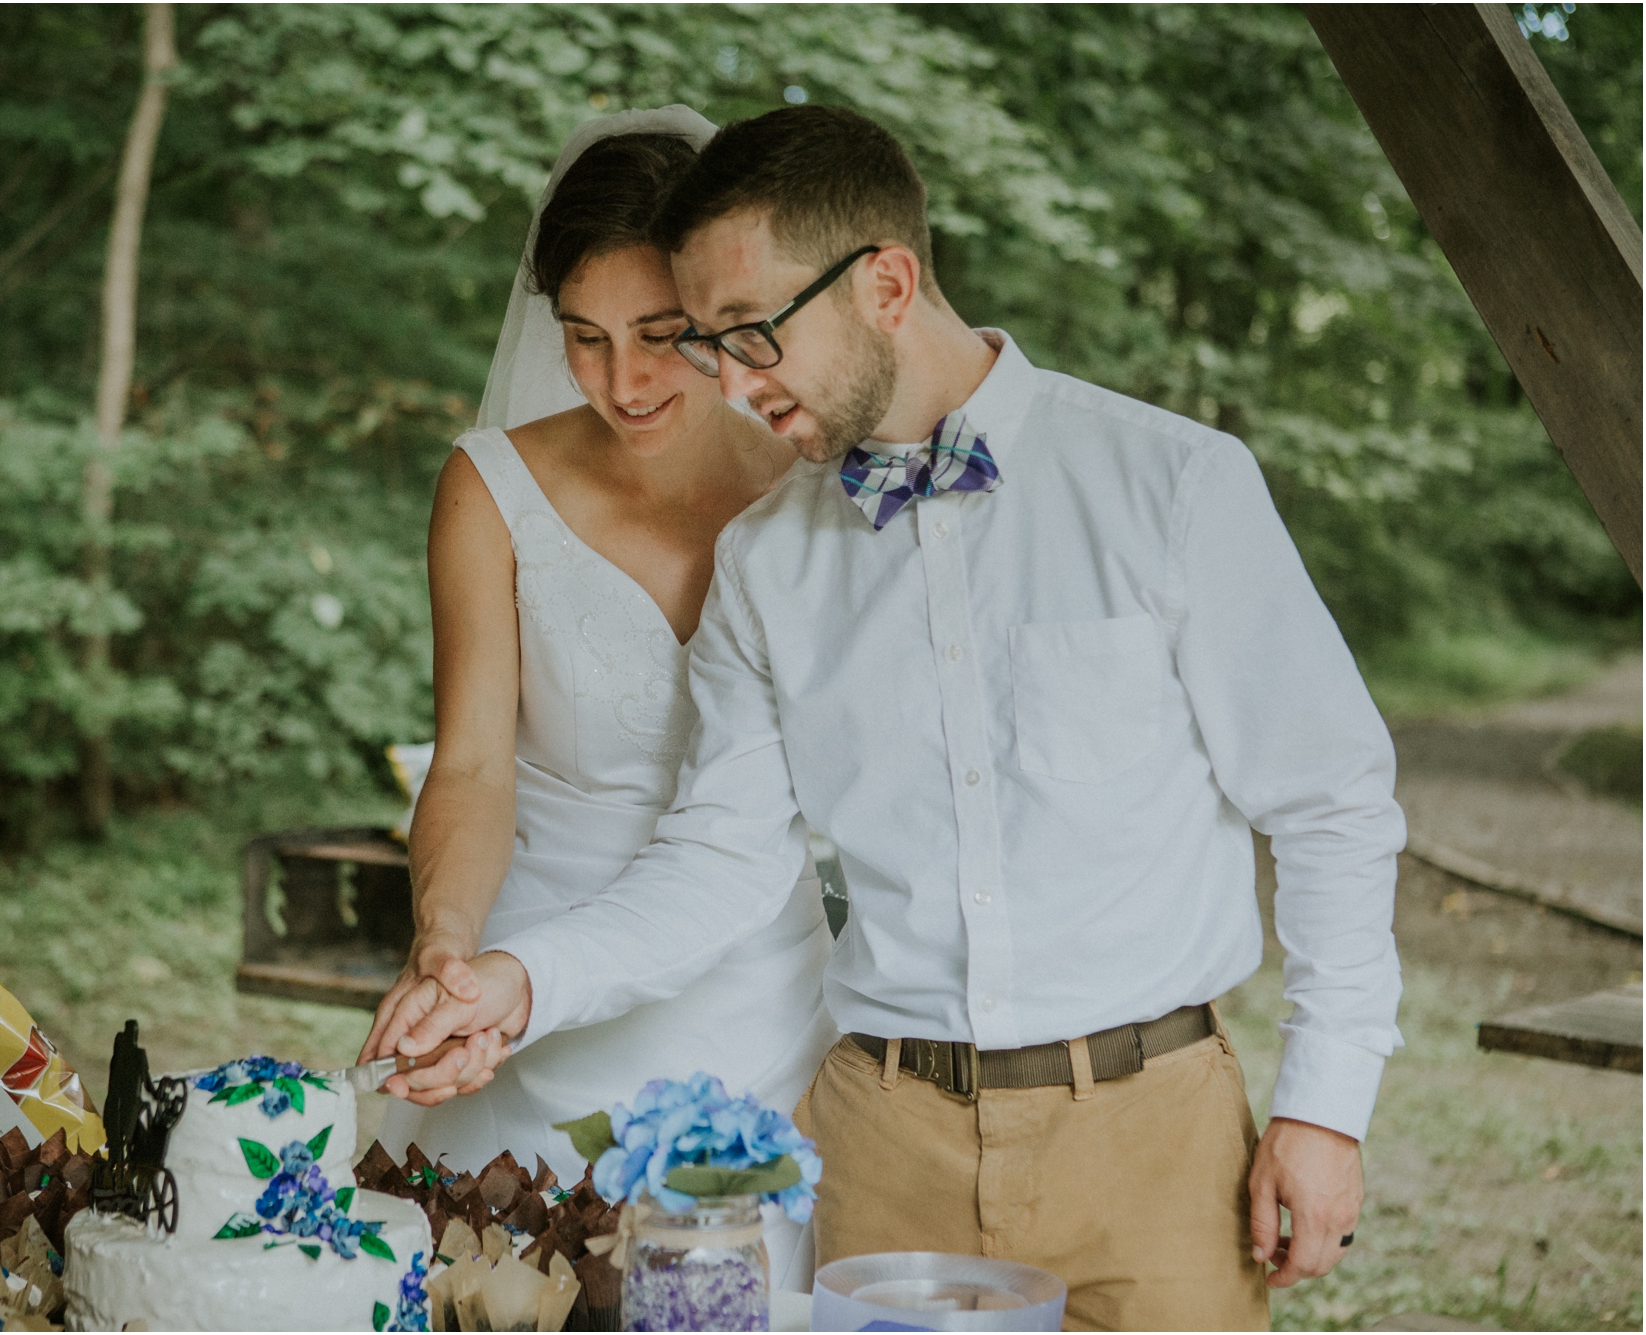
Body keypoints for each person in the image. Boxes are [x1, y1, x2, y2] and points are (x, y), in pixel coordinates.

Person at [381, 105, 1406, 1330]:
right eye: (711, 346)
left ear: (885, 282)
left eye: (748, 337)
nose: (733, 387)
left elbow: (1331, 805)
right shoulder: (764, 561)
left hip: (1156, 1142)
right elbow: (715, 856)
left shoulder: (1171, 485)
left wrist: (1321, 1106)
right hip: (880, 1151)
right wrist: (514, 979)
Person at [361, 107, 840, 1283]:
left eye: (662, 334)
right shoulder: (492, 486)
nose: (621, 381)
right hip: (525, 975)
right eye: (582, 337)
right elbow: (471, 764)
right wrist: (446, 947)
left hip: (756, 984)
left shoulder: (811, 480)